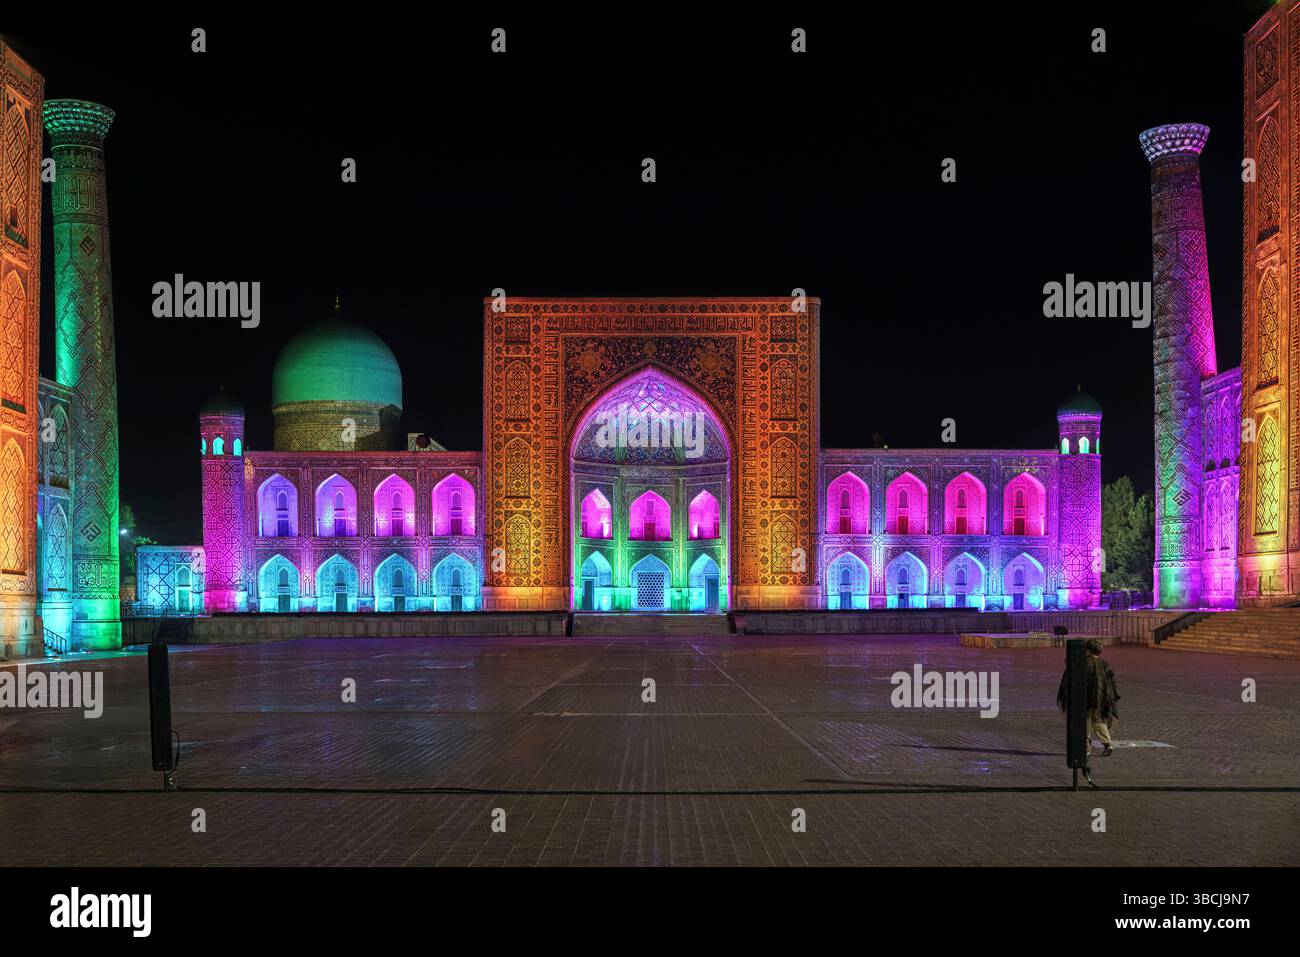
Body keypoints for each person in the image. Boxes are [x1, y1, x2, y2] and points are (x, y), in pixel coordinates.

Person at [1057, 639, 1120, 761]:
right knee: (1099, 721)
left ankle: (1086, 749)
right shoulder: (1104, 664)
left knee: (1084, 722)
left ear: (1088, 650)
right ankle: (1108, 744)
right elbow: (1110, 682)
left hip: (1084, 699)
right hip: (1100, 699)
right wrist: (1111, 696)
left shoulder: (1081, 663)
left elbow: (1072, 679)